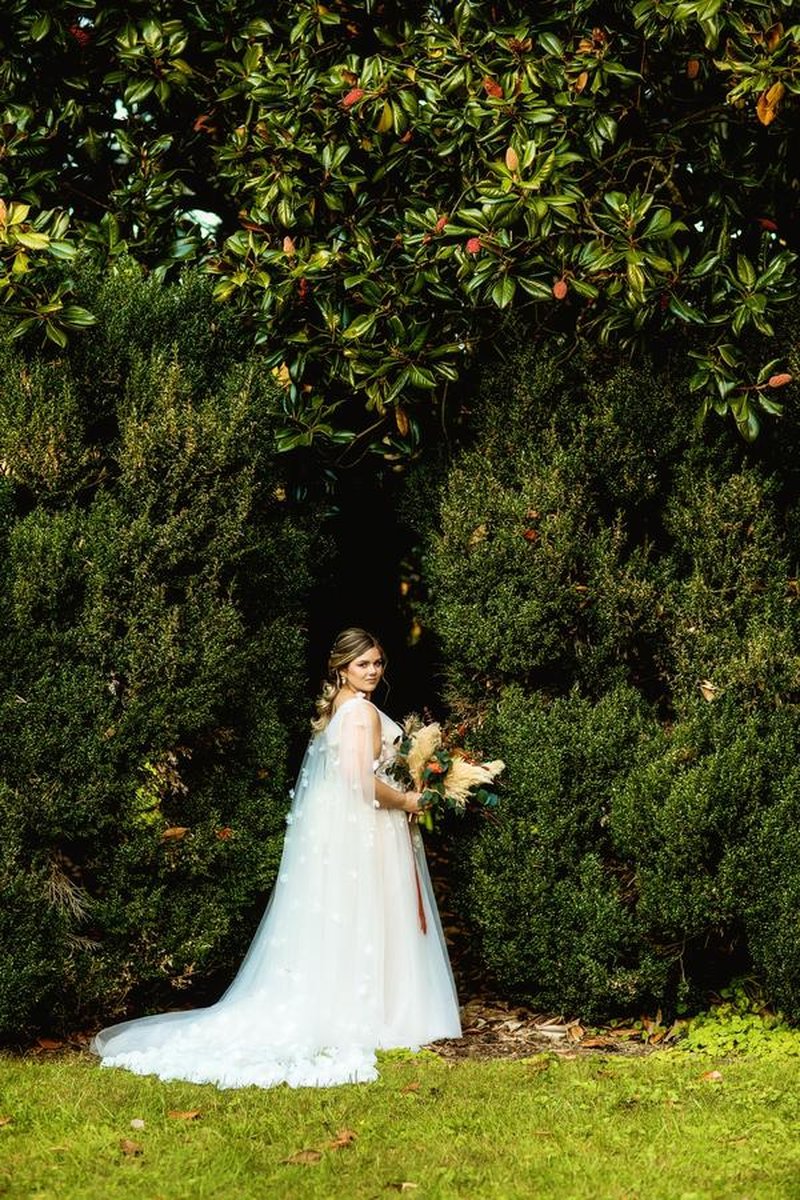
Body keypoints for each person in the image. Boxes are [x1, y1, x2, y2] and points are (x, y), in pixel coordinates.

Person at [91, 627, 462, 1087]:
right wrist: (408, 802)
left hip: (358, 828)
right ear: (341, 668)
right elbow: (359, 782)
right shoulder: (361, 713)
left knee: (355, 916)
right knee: (372, 912)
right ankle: (380, 1011)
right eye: (362, 664)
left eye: (377, 663)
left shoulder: (341, 710)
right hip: (369, 827)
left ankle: (367, 1003)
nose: (371, 671)